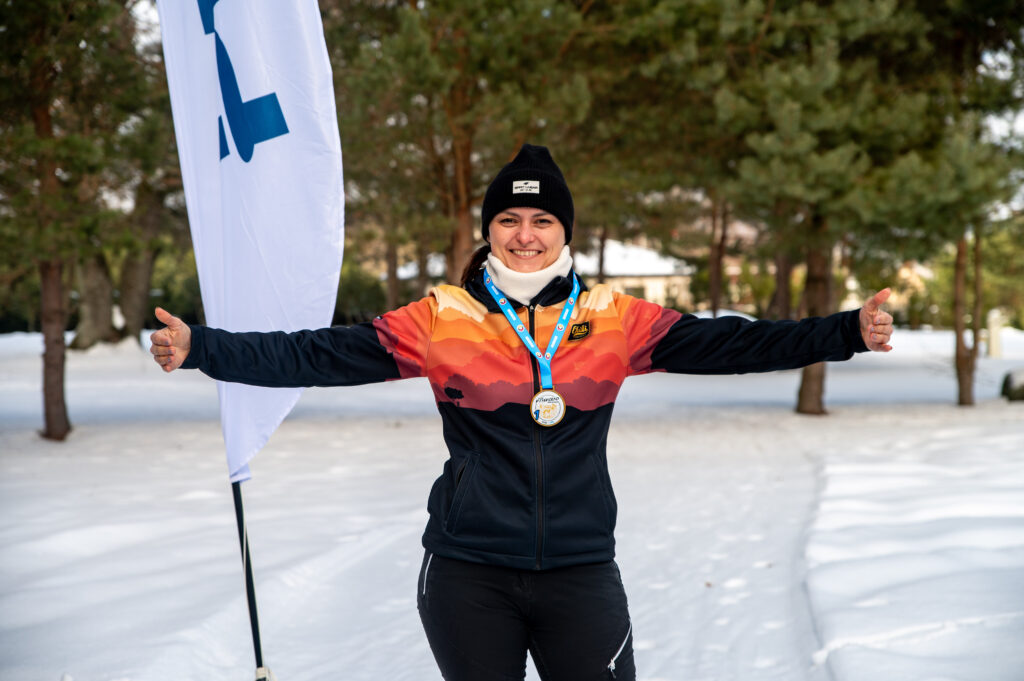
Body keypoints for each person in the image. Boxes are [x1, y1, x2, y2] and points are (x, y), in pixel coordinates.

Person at [150, 144, 894, 681]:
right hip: (468, 571)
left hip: (579, 567)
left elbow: (734, 342)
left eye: (542, 219)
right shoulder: (442, 317)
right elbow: (319, 353)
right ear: (489, 229)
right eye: (509, 218)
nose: (525, 235)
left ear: (565, 230)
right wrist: (203, 346)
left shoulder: (615, 318)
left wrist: (845, 332)